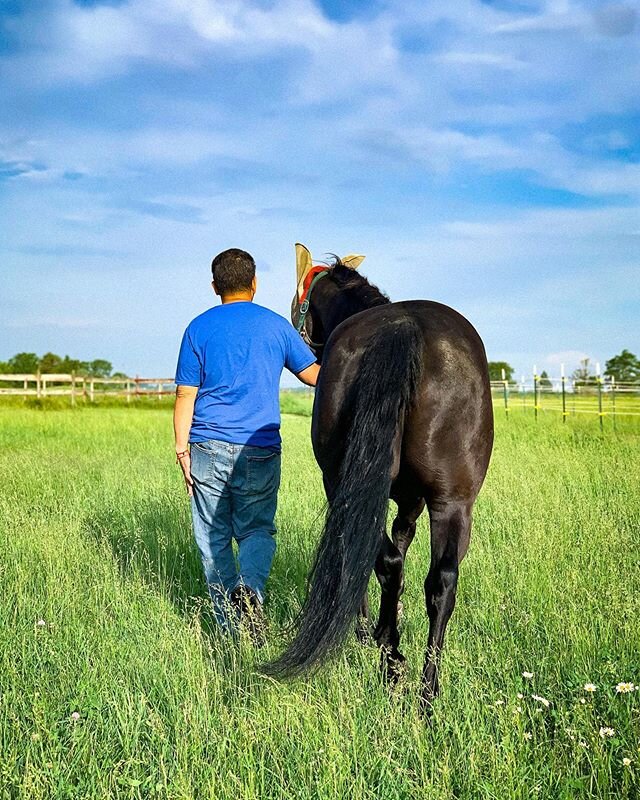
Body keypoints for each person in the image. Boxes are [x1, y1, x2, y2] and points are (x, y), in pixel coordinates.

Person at [173, 248, 319, 639]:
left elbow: (185, 395)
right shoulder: (275, 326)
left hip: (206, 445)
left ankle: (228, 627)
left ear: (215, 286)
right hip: (261, 447)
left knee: (213, 534)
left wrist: (181, 449)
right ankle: (250, 592)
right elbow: (314, 376)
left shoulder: (198, 328)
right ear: (255, 283)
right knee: (256, 530)